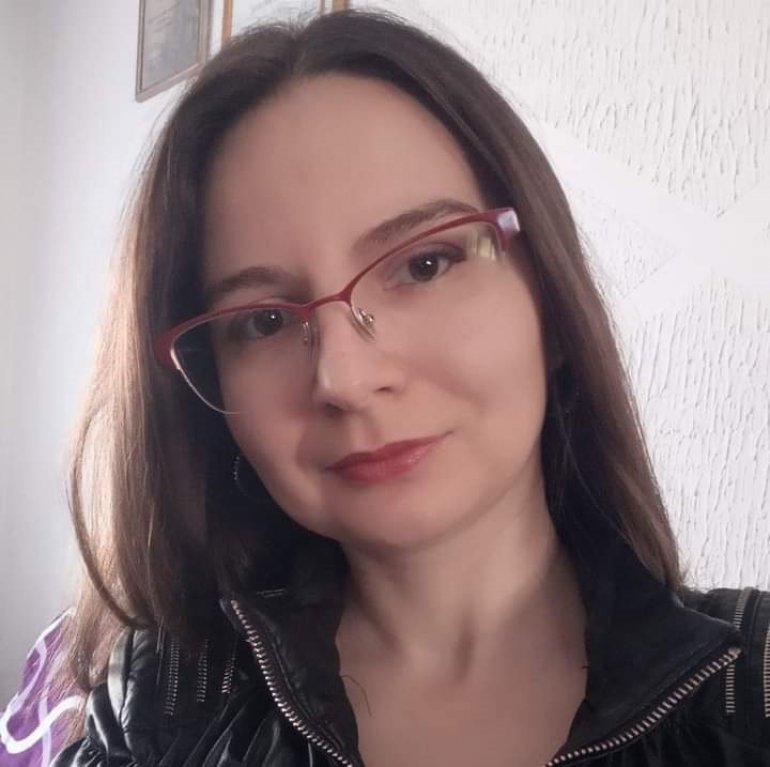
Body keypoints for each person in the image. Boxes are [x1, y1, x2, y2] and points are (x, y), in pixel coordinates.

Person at [4, 9, 768, 767]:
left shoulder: (752, 689)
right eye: (264, 321)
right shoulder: (161, 703)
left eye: (424, 265)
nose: (346, 378)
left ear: (549, 294)